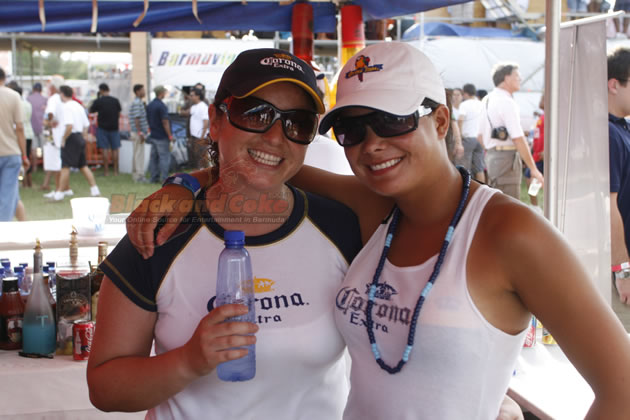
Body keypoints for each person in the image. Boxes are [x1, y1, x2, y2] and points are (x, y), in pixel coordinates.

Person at [127, 43, 630, 419]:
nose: (371, 144)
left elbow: (622, 387)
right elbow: (265, 164)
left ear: (439, 121)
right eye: (352, 129)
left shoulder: (510, 232)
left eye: (392, 121)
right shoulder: (375, 212)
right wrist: (185, 184)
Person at [87, 48, 362, 419]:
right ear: (215, 121)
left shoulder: (344, 229)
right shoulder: (160, 232)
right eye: (256, 113)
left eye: (297, 122)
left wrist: (185, 182)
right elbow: (105, 388)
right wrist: (188, 361)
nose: (275, 136)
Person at [478, 62, 543, 200]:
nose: (520, 79)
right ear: (507, 78)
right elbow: (518, 138)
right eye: (517, 75)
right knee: (509, 204)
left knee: (497, 202)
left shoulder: (486, 100)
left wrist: (493, 151)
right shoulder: (507, 101)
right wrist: (533, 169)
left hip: (492, 157)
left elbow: (479, 136)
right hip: (507, 160)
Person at [48, 85, 100, 201]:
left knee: (65, 166)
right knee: (83, 165)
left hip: (71, 138)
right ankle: (94, 189)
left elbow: (69, 126)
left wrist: (63, 139)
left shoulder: (66, 107)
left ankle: (59, 193)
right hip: (79, 137)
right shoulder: (78, 106)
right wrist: (84, 136)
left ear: (62, 94)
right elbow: (86, 124)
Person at [607, 47, 630, 305]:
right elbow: (608, 205)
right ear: (614, 85)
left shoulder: (623, 128)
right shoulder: (609, 133)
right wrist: (622, 271)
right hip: (622, 270)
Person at [0, 67, 29, 221]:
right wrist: (24, 155)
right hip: (11, 152)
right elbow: (19, 128)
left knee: (11, 195)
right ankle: (4, 230)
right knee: (8, 194)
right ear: (4, 78)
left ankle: (22, 227)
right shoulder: (13, 96)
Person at [89, 83, 122, 176]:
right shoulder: (115, 100)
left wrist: (97, 97)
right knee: (115, 149)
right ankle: (115, 171)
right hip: (114, 128)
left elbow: (91, 110)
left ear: (101, 90)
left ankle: (106, 172)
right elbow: (119, 113)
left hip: (102, 128)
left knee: (104, 149)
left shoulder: (99, 101)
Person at [7, 81, 34, 188]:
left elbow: (18, 125)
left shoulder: (16, 104)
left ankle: (22, 182)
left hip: (19, 134)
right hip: (29, 132)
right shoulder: (28, 104)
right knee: (27, 156)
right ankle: (29, 182)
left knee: (21, 158)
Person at [457, 83, 485, 182]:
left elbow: (460, 120)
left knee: (465, 168)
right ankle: (483, 188)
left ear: (465, 93)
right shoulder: (481, 104)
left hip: (468, 138)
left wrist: (459, 136)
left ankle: (467, 188)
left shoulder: (464, 104)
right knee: (479, 167)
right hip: (480, 139)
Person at [146, 85, 174, 183]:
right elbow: (165, 121)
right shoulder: (161, 106)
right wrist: (170, 135)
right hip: (162, 136)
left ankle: (154, 177)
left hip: (153, 134)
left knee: (153, 158)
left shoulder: (150, 105)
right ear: (161, 93)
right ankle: (164, 178)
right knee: (164, 157)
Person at [41, 76, 64, 195]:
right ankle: (61, 188)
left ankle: (58, 189)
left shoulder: (53, 98)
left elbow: (50, 113)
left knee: (55, 164)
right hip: (58, 134)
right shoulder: (61, 98)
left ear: (54, 86)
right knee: (58, 163)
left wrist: (49, 122)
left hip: (52, 135)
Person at [524, 93, 544, 207]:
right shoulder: (541, 117)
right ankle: (535, 206)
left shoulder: (548, 118)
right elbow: (537, 133)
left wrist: (546, 151)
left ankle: (536, 206)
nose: (540, 102)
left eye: (542, 99)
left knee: (531, 177)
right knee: (530, 177)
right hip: (537, 154)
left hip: (542, 155)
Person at [129, 84, 149, 183]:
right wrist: (140, 132)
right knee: (139, 154)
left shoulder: (137, 102)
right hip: (138, 132)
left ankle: (135, 174)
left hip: (136, 132)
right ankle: (139, 176)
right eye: (142, 90)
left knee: (136, 153)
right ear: (137, 92)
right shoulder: (137, 103)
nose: (144, 92)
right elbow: (137, 118)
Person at [27, 82, 47, 176]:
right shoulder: (45, 99)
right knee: (44, 148)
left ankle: (34, 167)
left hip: (31, 126)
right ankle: (46, 166)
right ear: (41, 90)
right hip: (42, 126)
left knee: (33, 148)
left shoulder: (28, 99)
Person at [187, 87, 209, 168]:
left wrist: (202, 137)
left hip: (201, 136)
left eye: (192, 95)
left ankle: (205, 172)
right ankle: (199, 171)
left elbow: (206, 122)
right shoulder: (193, 107)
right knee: (196, 156)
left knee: (202, 157)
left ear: (198, 96)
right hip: (194, 136)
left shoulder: (203, 107)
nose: (190, 97)